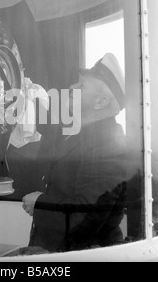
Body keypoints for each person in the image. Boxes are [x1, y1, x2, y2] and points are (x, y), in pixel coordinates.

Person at [22, 53, 128, 252]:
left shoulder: (108, 143)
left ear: (101, 102)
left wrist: (39, 203)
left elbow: (86, 216)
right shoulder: (84, 136)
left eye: (82, 86)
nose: (72, 88)